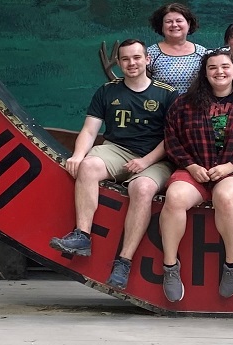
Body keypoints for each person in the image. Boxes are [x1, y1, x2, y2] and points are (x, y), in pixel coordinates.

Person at [49, 38, 177, 291]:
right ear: (119, 62)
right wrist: (78, 154)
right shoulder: (107, 91)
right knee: (87, 166)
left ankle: (123, 262)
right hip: (116, 150)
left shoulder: (167, 94)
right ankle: (82, 237)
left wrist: (145, 161)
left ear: (147, 59)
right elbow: (89, 129)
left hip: (155, 158)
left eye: (137, 57)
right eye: (126, 59)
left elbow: (171, 138)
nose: (131, 63)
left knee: (141, 189)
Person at [159, 48, 233, 302]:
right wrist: (190, 166)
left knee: (224, 197)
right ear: (205, 73)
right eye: (212, 68)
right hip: (196, 170)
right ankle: (170, 267)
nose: (219, 72)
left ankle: (232, 262)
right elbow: (171, 140)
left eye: (224, 67)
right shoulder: (184, 104)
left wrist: (231, 166)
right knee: (174, 197)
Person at [147, 2, 207, 94]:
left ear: (189, 24)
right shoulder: (151, 53)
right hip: (162, 107)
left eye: (179, 21)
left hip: (195, 106)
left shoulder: (202, 52)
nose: (174, 25)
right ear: (161, 26)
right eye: (168, 22)